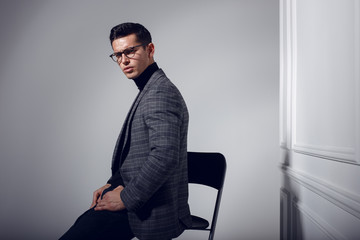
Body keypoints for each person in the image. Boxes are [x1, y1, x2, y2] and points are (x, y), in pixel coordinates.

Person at [60, 22, 192, 240]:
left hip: (148, 208)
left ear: (150, 49)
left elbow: (165, 155)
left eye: (130, 51)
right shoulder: (149, 88)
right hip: (137, 195)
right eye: (118, 55)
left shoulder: (160, 92)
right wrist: (114, 184)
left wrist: (126, 197)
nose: (124, 61)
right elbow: (138, 152)